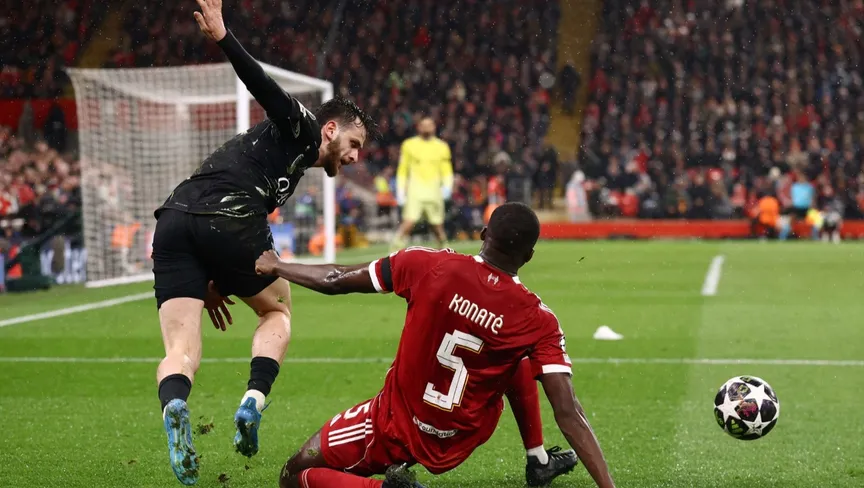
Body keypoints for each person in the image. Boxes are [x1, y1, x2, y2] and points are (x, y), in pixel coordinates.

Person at [151, 0, 377, 484]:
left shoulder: (288, 158)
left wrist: (210, 274)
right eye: (354, 144)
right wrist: (223, 36)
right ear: (331, 129)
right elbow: (265, 87)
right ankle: (253, 400)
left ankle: (173, 404)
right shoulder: (304, 127)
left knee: (181, 346)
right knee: (277, 311)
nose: (355, 157)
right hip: (230, 215)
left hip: (172, 221)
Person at [256, 202, 616, 488]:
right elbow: (569, 413)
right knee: (518, 354)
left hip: (394, 426)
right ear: (529, 255)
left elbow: (336, 279)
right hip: (463, 435)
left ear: (483, 234)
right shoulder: (539, 320)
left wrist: (278, 266)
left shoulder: (428, 265)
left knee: (295, 473)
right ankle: (537, 458)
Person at [390, 117, 453, 250]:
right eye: (424, 125)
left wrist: (447, 187)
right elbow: (403, 169)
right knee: (408, 222)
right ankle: (394, 251)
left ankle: (445, 250)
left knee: (437, 226)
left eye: (429, 125)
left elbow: (446, 170)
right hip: (415, 191)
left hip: (434, 191)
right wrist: (400, 190)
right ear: (418, 127)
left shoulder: (442, 147)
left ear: (434, 127)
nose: (427, 127)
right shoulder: (409, 145)